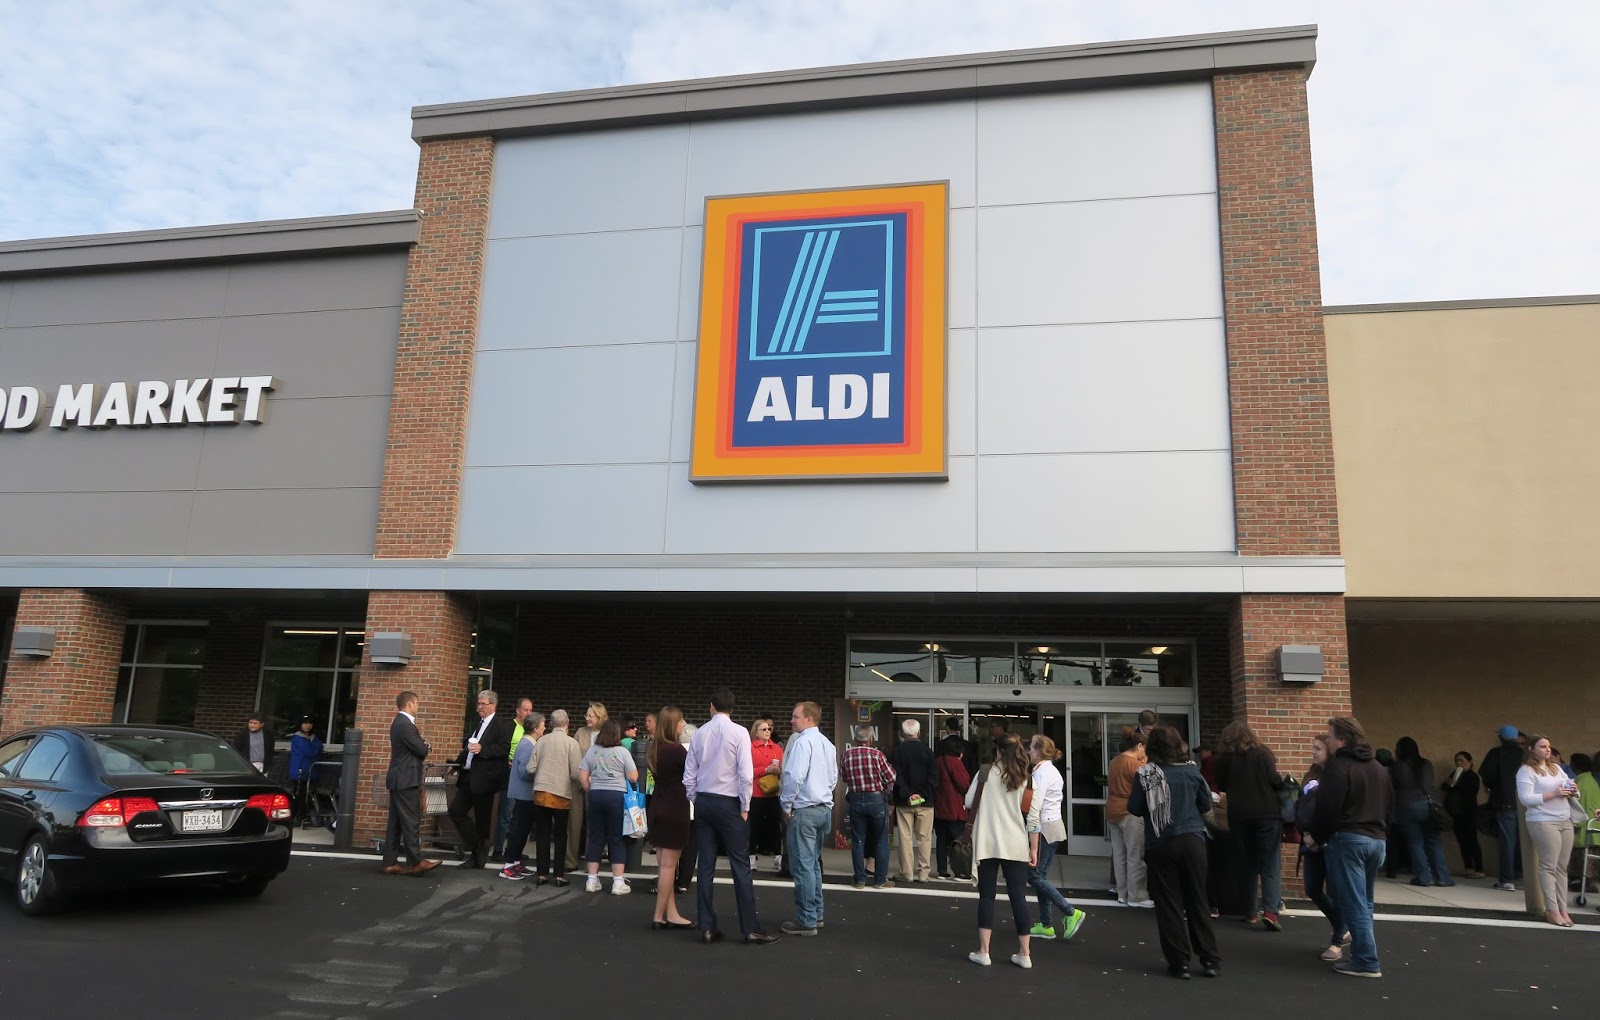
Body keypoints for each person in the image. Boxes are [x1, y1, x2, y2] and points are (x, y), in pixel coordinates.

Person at [683, 688, 780, 945]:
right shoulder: (739, 733)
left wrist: (696, 798)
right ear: (733, 709)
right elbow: (746, 775)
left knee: (705, 866)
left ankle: (706, 925)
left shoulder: (700, 733)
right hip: (730, 803)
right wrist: (745, 806)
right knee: (740, 866)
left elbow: (689, 774)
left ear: (711, 706)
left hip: (704, 801)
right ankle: (750, 928)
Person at [1128, 725, 1220, 980]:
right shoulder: (1191, 771)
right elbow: (1205, 804)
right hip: (1192, 838)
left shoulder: (1146, 773)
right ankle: (1210, 959)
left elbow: (1134, 808)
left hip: (1160, 841)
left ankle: (1179, 962)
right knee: (1197, 898)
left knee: (1169, 903)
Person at [1308, 716, 1392, 978]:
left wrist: (1318, 837)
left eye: (1330, 736)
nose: (1328, 741)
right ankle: (1365, 955)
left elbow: (1327, 808)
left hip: (1349, 839)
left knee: (1353, 902)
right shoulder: (1378, 767)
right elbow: (1390, 805)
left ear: (1342, 740)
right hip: (1377, 839)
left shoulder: (1338, 767)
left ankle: (1366, 960)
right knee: (1364, 901)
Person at [964, 734, 1035, 969]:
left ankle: (984, 951)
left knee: (986, 896)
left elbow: (968, 801)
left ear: (999, 751)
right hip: (1015, 842)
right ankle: (1025, 954)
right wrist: (1033, 847)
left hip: (987, 842)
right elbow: (1032, 815)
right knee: (1018, 897)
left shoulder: (985, 772)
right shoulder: (1026, 777)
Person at [1214, 720, 1285, 929]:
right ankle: (1271, 912)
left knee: (1247, 864)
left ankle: (1250, 911)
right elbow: (1275, 780)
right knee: (1270, 863)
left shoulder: (1225, 758)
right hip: (1267, 814)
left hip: (1240, 815)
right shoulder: (1263, 753)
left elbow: (1222, 784)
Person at [779, 701, 837, 936]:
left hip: (804, 810)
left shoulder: (802, 742)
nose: (792, 720)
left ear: (808, 719)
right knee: (812, 865)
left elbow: (794, 776)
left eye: (795, 717)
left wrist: (786, 803)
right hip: (824, 808)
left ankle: (806, 920)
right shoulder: (827, 743)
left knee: (802, 867)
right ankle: (816, 913)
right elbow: (834, 777)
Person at [1025, 734, 1086, 941]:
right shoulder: (1052, 771)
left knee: (1033, 876)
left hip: (1044, 828)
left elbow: (1035, 806)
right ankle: (1046, 924)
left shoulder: (1041, 774)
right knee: (1039, 876)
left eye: (1031, 748)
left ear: (1039, 751)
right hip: (1055, 825)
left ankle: (1070, 912)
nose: (1029, 751)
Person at [448, 689, 515, 871]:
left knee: (483, 819)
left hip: (485, 779)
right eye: (478, 703)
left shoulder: (501, 725)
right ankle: (478, 846)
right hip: (469, 776)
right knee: (456, 810)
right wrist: (456, 764)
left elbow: (503, 749)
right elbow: (469, 747)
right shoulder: (479, 724)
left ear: (492, 705)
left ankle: (478, 856)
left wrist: (482, 749)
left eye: (482, 704)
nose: (479, 707)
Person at [1297, 734, 1348, 962]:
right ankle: (1342, 929)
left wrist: (1320, 837)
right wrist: (1306, 834)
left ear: (1329, 750)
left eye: (1317, 748)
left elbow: (1335, 811)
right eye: (1313, 747)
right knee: (1313, 888)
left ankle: (1337, 941)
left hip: (1330, 841)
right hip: (1310, 840)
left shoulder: (1336, 776)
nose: (1313, 752)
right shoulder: (1312, 774)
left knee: (1336, 891)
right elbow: (1301, 807)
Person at [1517, 734, 1578, 927]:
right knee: (1548, 865)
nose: (1547, 750)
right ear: (1531, 749)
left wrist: (1574, 790)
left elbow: (1569, 787)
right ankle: (1551, 910)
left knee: (1562, 867)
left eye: (1549, 746)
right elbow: (1526, 799)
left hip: (1564, 819)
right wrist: (1554, 793)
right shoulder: (1526, 771)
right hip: (1543, 821)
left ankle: (1563, 909)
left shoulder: (1556, 768)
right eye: (1542, 746)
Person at [381, 691, 441, 877]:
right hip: (406, 779)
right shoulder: (406, 725)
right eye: (416, 704)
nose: (417, 707)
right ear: (409, 704)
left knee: (396, 822)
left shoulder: (400, 724)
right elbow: (421, 749)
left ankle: (390, 862)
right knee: (411, 821)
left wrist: (422, 745)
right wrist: (426, 746)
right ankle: (416, 862)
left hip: (399, 778)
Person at [646, 706, 695, 929]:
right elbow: (694, 773)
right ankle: (658, 916)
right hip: (675, 806)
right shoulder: (677, 751)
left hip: (657, 804)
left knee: (664, 864)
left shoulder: (654, 748)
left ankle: (672, 913)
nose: (683, 724)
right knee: (668, 866)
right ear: (672, 724)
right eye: (680, 721)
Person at [580, 719, 639, 895]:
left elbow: (582, 776)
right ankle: (618, 883)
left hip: (596, 795)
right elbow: (634, 776)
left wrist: (590, 789)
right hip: (616, 797)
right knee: (617, 838)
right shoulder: (622, 752)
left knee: (596, 837)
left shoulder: (593, 751)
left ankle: (591, 880)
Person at [530, 708, 583, 886]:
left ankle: (542, 874)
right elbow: (576, 773)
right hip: (561, 794)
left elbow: (530, 768)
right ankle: (559, 875)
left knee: (543, 833)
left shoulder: (541, 741)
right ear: (567, 723)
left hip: (541, 792)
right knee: (561, 835)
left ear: (551, 724)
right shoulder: (571, 743)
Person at [1392, 736, 1454, 887]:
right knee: (1434, 842)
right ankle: (1443, 878)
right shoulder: (1426, 763)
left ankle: (1422, 877)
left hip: (1408, 805)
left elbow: (1393, 786)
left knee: (1416, 843)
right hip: (1428, 805)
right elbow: (1429, 785)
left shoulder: (1397, 766)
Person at [841, 724, 896, 889]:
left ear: (855, 739)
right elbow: (891, 777)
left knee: (858, 840)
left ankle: (859, 879)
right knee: (881, 840)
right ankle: (880, 880)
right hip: (876, 799)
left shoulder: (847, 755)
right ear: (871, 739)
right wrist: (887, 793)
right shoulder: (877, 755)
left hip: (856, 798)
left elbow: (843, 777)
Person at [889, 718, 938, 884]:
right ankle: (923, 873)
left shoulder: (897, 752)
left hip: (904, 802)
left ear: (903, 733)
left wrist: (908, 794)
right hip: (925, 802)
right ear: (918, 732)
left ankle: (907, 872)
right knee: (924, 838)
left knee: (905, 838)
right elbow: (933, 777)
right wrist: (921, 794)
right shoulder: (928, 752)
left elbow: (896, 777)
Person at [498, 712, 546, 879]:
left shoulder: (529, 743)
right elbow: (524, 772)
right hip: (524, 794)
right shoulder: (528, 745)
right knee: (519, 829)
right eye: (543, 725)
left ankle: (516, 862)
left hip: (524, 794)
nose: (544, 728)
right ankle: (508, 865)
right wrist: (540, 773)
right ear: (535, 728)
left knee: (522, 829)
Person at [1106, 727, 1149, 907]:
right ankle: (1137, 896)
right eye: (1145, 749)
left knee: (1119, 854)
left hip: (1112, 809)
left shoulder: (1114, 761)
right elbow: (1147, 788)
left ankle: (1122, 893)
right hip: (1130, 812)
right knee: (1135, 855)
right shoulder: (1136, 765)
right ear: (1139, 746)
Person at [1479, 724, 1525, 891]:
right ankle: (1528, 878)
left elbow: (1487, 775)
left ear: (1501, 737)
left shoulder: (1495, 753)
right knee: (1527, 842)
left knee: (1508, 842)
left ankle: (1507, 879)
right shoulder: (1524, 754)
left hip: (1505, 802)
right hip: (1526, 804)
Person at [566, 702, 607, 872]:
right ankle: (570, 861)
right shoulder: (580, 732)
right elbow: (573, 756)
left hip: (597, 784)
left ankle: (592, 863)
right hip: (577, 782)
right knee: (574, 823)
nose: (587, 718)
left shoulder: (607, 734)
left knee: (594, 825)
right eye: (587, 715)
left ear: (600, 717)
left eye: (591, 715)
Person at [492, 697, 534, 859]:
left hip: (525, 775)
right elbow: (502, 748)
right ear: (518, 711)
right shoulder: (509, 727)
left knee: (520, 816)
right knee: (506, 813)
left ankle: (514, 850)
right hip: (509, 773)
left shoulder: (529, 729)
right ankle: (497, 850)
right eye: (526, 710)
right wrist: (507, 761)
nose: (528, 713)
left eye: (531, 710)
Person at [933, 732, 971, 880]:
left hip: (939, 807)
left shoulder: (937, 761)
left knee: (941, 840)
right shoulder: (955, 762)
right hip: (955, 808)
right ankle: (960, 871)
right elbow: (964, 785)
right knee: (959, 840)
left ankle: (942, 870)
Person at [1441, 750, 1484, 879]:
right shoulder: (1455, 774)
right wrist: (1449, 783)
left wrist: (1456, 784)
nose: (1459, 763)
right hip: (1456, 813)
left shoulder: (1472, 776)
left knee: (1472, 840)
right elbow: (1445, 786)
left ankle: (1479, 869)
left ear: (1469, 763)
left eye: (1462, 760)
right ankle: (1468, 867)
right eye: (1457, 760)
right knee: (1462, 841)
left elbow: (1470, 791)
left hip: (1468, 813)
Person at [747, 715, 784, 866]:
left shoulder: (776, 748)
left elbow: (783, 770)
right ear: (756, 732)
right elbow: (747, 771)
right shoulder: (750, 748)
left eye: (769, 728)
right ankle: (750, 855)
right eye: (763, 729)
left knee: (775, 825)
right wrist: (765, 769)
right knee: (754, 825)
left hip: (773, 792)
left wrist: (778, 770)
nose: (767, 731)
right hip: (756, 792)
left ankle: (778, 855)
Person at [286, 715, 323, 823]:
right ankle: (299, 817)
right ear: (300, 725)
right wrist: (314, 748)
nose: (308, 726)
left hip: (311, 772)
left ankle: (301, 817)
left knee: (305, 795)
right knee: (299, 795)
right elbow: (309, 751)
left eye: (310, 723)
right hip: (299, 771)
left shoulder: (314, 738)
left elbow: (319, 747)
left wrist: (314, 748)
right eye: (305, 723)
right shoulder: (297, 738)